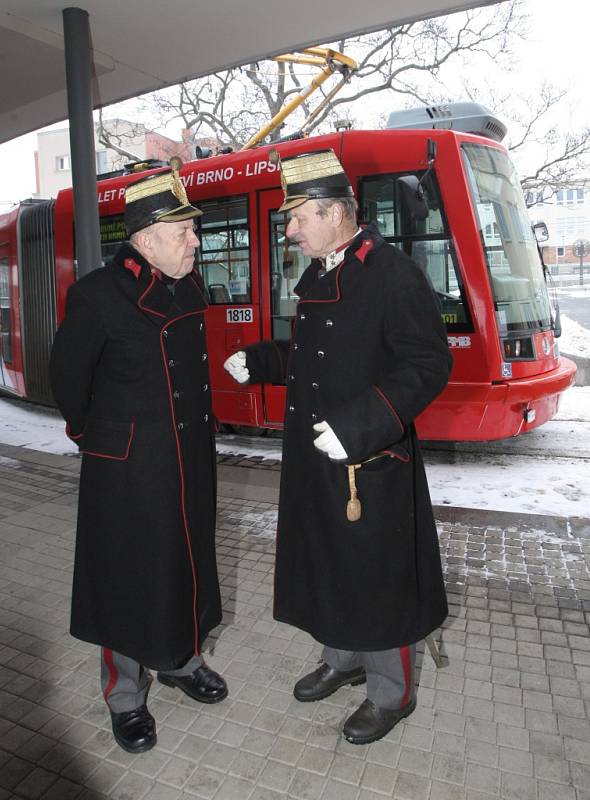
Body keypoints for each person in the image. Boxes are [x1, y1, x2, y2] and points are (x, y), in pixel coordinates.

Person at [224, 149, 452, 745]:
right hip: (319, 458)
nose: (290, 231)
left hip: (369, 461)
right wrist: (264, 360)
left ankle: (390, 690)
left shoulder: (392, 272)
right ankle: (345, 656)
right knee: (331, 562)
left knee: (378, 578)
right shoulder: (325, 270)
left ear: (332, 212)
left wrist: (366, 420)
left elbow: (429, 363)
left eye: (297, 218)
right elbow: (317, 357)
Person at [49, 167, 227, 754]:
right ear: (146, 238)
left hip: (186, 458)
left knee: (184, 561)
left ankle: (178, 658)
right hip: (127, 467)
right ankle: (125, 694)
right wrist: (99, 439)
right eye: (185, 232)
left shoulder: (187, 285)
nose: (195, 242)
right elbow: (68, 381)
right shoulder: (99, 295)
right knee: (126, 577)